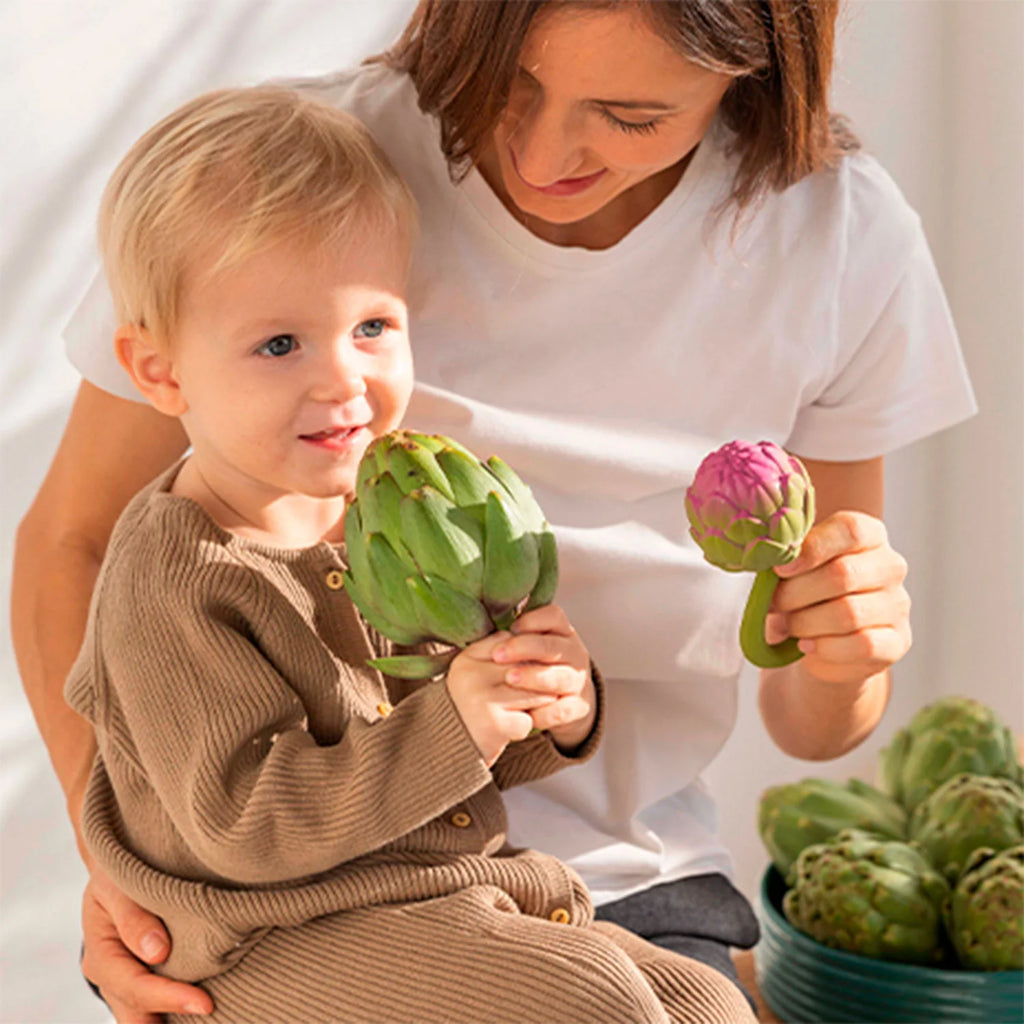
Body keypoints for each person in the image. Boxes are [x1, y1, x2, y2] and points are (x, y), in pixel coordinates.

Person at [12, 1, 975, 1020]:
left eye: (629, 113)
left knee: (703, 1005)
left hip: (563, 872)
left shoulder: (837, 241)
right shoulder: (291, 183)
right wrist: (128, 869)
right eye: (511, 80)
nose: (541, 147)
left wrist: (821, 648)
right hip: (308, 909)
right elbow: (78, 548)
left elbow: (813, 723)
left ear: (755, 70)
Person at [61, 82, 757, 1024]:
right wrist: (456, 727)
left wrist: (545, 705)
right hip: (272, 934)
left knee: (706, 1004)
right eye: (279, 344)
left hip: (437, 896)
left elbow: (437, 765)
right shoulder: (177, 576)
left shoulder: (382, 522)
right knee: (596, 1004)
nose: (343, 378)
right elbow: (244, 826)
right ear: (159, 370)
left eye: (373, 328)